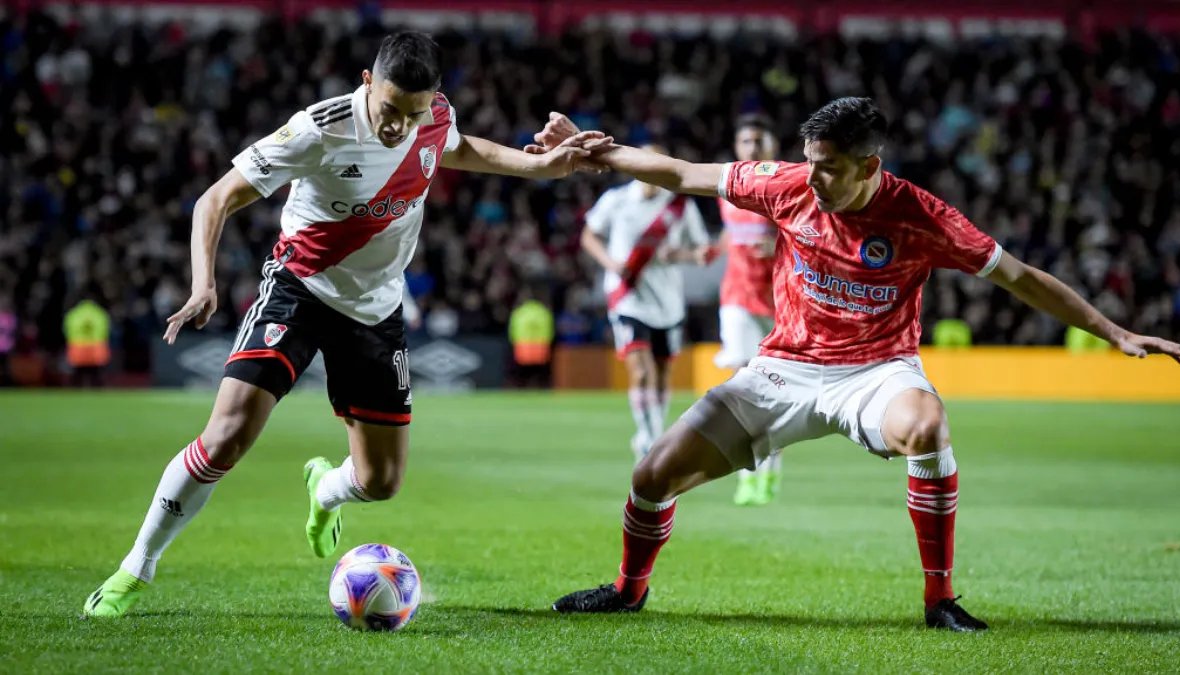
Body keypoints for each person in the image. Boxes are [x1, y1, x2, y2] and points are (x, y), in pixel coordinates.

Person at [529, 99, 1180, 631]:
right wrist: (600, 150)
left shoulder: (921, 216)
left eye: (829, 166)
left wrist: (1112, 330)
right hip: (784, 365)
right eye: (810, 160)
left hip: (876, 371)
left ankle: (940, 599)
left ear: (870, 163)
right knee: (652, 472)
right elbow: (684, 173)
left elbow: (1019, 277)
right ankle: (628, 588)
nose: (813, 176)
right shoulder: (788, 185)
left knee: (927, 425)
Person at [82, 31, 607, 618]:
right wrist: (203, 282)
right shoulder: (320, 128)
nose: (397, 127)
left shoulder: (433, 117)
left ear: (433, 97)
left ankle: (326, 490)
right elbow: (216, 198)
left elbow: (461, 149)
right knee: (227, 433)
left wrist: (543, 167)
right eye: (387, 110)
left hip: (377, 309)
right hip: (299, 290)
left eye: (412, 114)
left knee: (381, 482)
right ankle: (136, 567)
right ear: (366, 82)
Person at [579, 143, 716, 461]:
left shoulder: (679, 206)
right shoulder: (617, 200)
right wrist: (611, 264)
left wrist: (678, 254)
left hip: (667, 302)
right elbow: (589, 235)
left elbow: (700, 252)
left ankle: (654, 431)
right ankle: (650, 437)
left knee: (663, 370)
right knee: (641, 370)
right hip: (628, 297)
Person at [716, 114, 785, 506]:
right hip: (738, 298)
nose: (752, 149)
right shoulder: (729, 188)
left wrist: (778, 247)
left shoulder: (789, 186)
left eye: (759, 141)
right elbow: (732, 233)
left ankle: (771, 468)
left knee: (776, 390)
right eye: (745, 142)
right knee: (742, 388)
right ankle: (747, 474)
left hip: (780, 301)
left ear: (772, 146)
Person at [64, 291, 112, 388]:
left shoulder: (74, 313)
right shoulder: (100, 313)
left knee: (77, 374)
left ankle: (73, 394)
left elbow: (68, 330)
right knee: (96, 375)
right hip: (96, 348)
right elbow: (105, 330)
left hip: (78, 347)